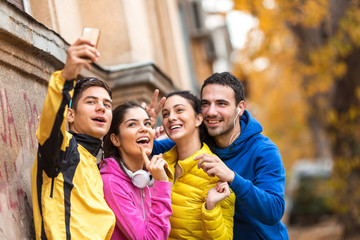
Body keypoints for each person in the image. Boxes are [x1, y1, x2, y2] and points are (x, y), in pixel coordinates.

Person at [31, 38, 115, 239]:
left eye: (107, 104)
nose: (101, 107)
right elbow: (50, 125)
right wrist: (66, 77)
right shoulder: (64, 149)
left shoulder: (94, 162)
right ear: (70, 115)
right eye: (91, 101)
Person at [195, 72, 289, 239]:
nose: (211, 111)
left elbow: (274, 210)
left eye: (221, 104)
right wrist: (146, 127)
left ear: (240, 108)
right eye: (205, 104)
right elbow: (155, 148)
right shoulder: (198, 142)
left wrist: (232, 178)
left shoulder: (263, 150)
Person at [160, 91, 235, 239]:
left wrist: (211, 207)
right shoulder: (159, 166)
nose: (171, 118)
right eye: (165, 114)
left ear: (198, 119)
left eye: (179, 110)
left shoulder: (215, 174)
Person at [100, 101, 172, 240]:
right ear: (115, 139)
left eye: (147, 124)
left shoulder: (148, 177)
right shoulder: (110, 183)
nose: (144, 129)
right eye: (132, 124)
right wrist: (162, 184)